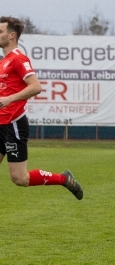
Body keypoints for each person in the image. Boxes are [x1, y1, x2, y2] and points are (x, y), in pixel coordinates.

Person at [0, 16, 83, 200]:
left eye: (1, 32)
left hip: (13, 124)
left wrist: (10, 99)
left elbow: (36, 87)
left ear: (12, 35)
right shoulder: (3, 61)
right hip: (1, 123)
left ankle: (63, 179)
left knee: (20, 178)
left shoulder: (18, 59)